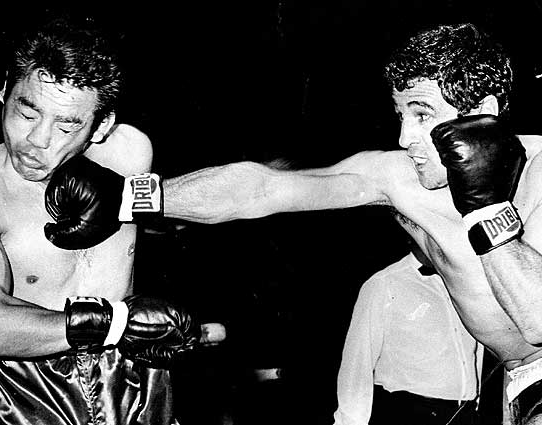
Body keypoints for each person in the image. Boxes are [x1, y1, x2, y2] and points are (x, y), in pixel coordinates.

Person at [41, 22, 542, 425]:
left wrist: (487, 208)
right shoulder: (399, 176)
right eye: (400, 114)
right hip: (514, 381)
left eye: (423, 114)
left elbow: (537, 323)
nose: (405, 136)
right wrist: (130, 198)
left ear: (483, 113)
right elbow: (262, 188)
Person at [0, 15, 224, 425]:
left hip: (130, 379)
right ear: (5, 91)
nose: (37, 140)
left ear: (102, 125)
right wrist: (120, 323)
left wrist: (151, 215)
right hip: (22, 389)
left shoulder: (130, 152)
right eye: (27, 112)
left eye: (66, 125)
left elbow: (223, 198)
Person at [333, 238, 483, 425]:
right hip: (409, 413)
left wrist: (474, 401)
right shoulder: (384, 283)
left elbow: (476, 351)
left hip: (464, 414)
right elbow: (358, 362)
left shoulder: (464, 284)